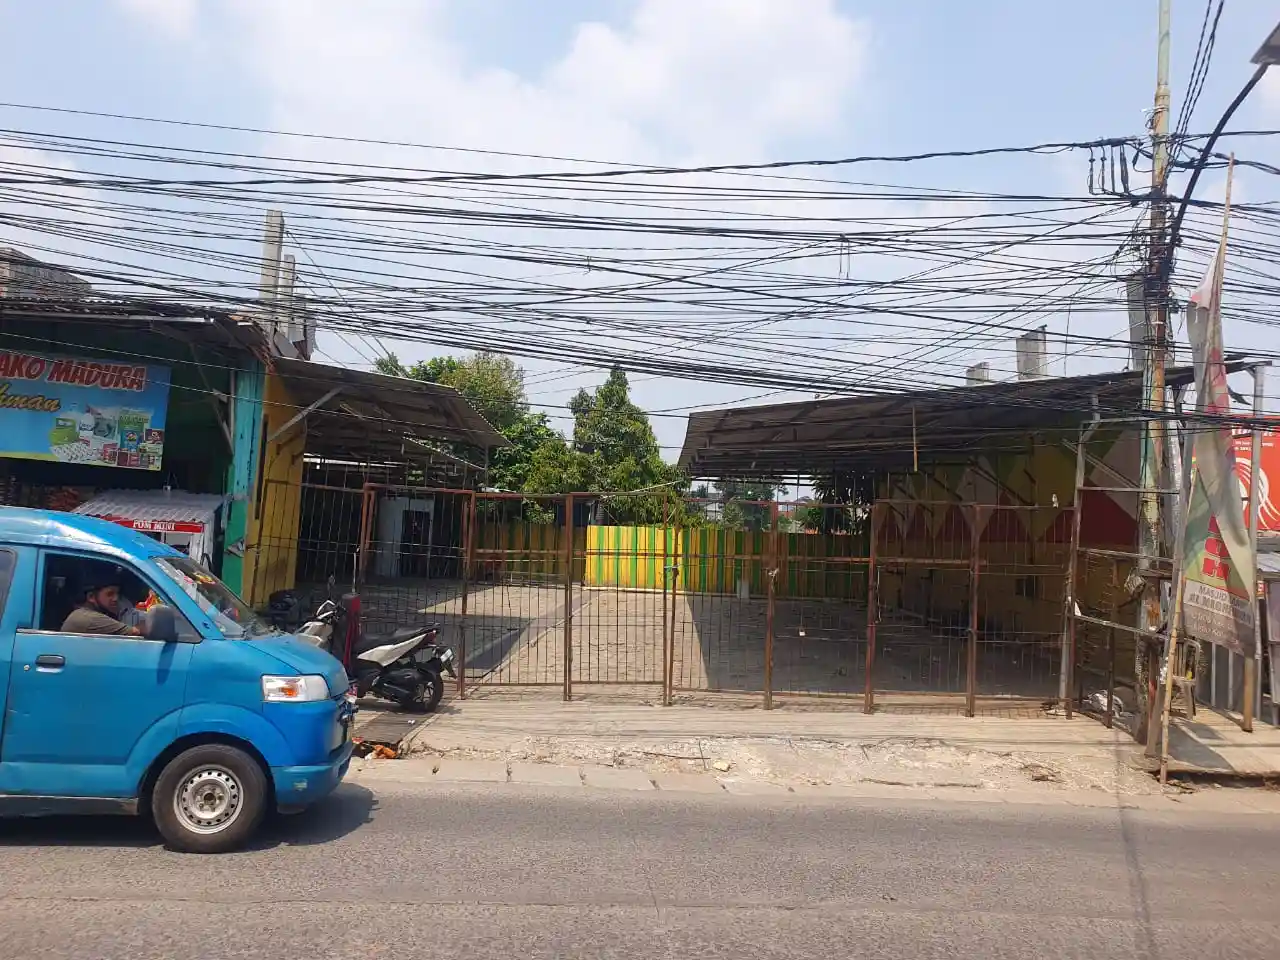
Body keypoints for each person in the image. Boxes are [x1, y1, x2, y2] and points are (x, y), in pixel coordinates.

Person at [61, 569, 144, 637]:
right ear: (91, 597)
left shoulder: (81, 614)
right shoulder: (90, 618)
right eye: (110, 594)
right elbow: (136, 632)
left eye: (117, 593)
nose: (116, 598)